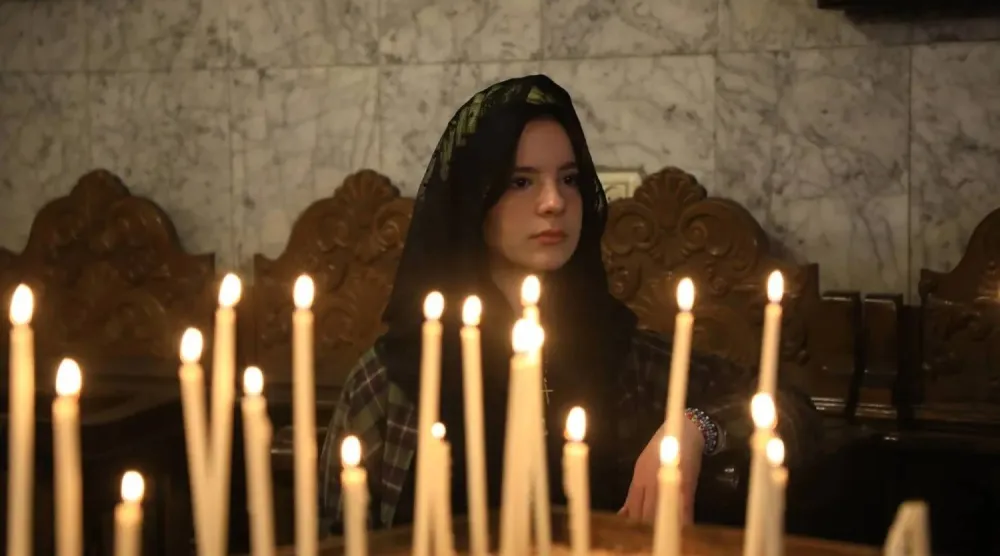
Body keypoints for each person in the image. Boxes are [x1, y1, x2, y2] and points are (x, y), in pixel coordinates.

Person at [318, 75, 821, 533]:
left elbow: (787, 408)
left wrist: (692, 430)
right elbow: (334, 533)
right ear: (474, 198)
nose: (553, 201)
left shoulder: (615, 350)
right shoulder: (396, 374)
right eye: (521, 181)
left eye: (569, 179)